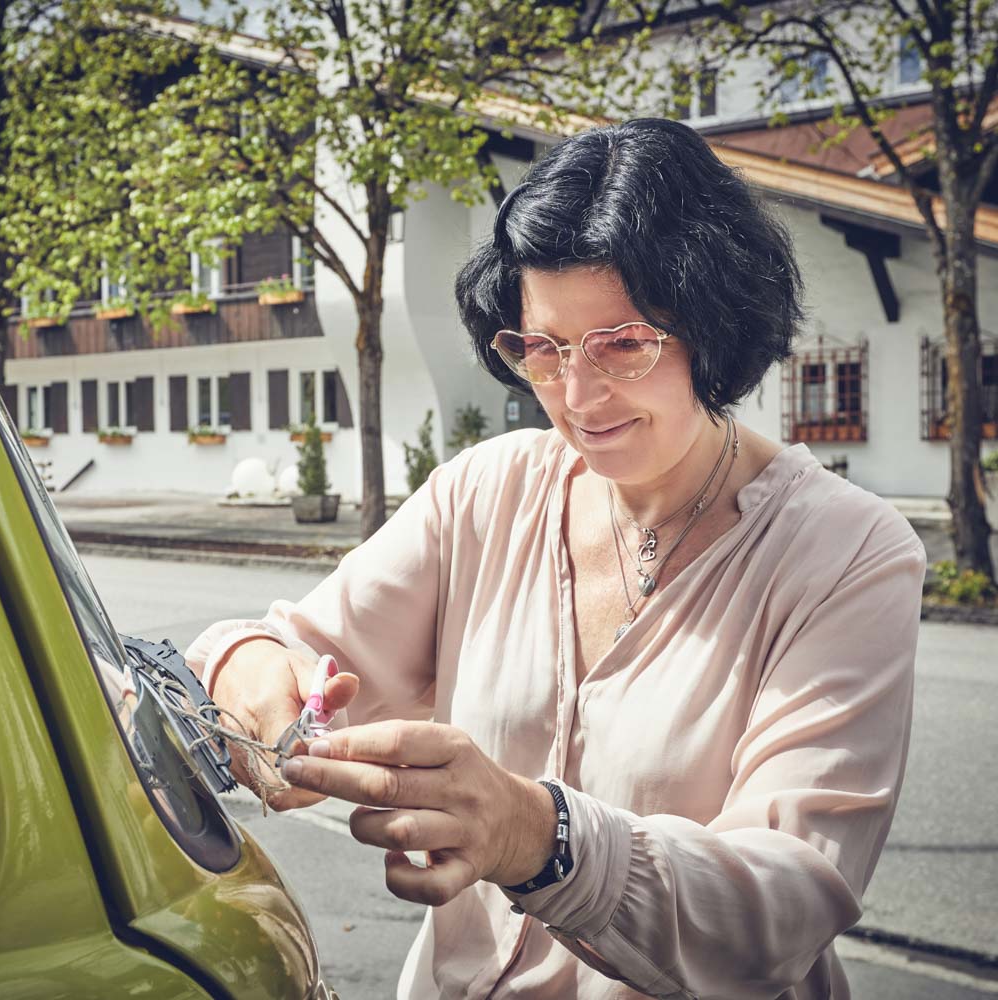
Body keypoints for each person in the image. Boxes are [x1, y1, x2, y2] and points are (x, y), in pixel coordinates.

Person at [185, 118, 926, 1000]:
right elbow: (277, 648)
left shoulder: (848, 551)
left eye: (622, 345)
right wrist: (265, 697)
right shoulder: (487, 491)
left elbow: (780, 910)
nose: (576, 398)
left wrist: (537, 839)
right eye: (543, 347)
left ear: (717, 326)